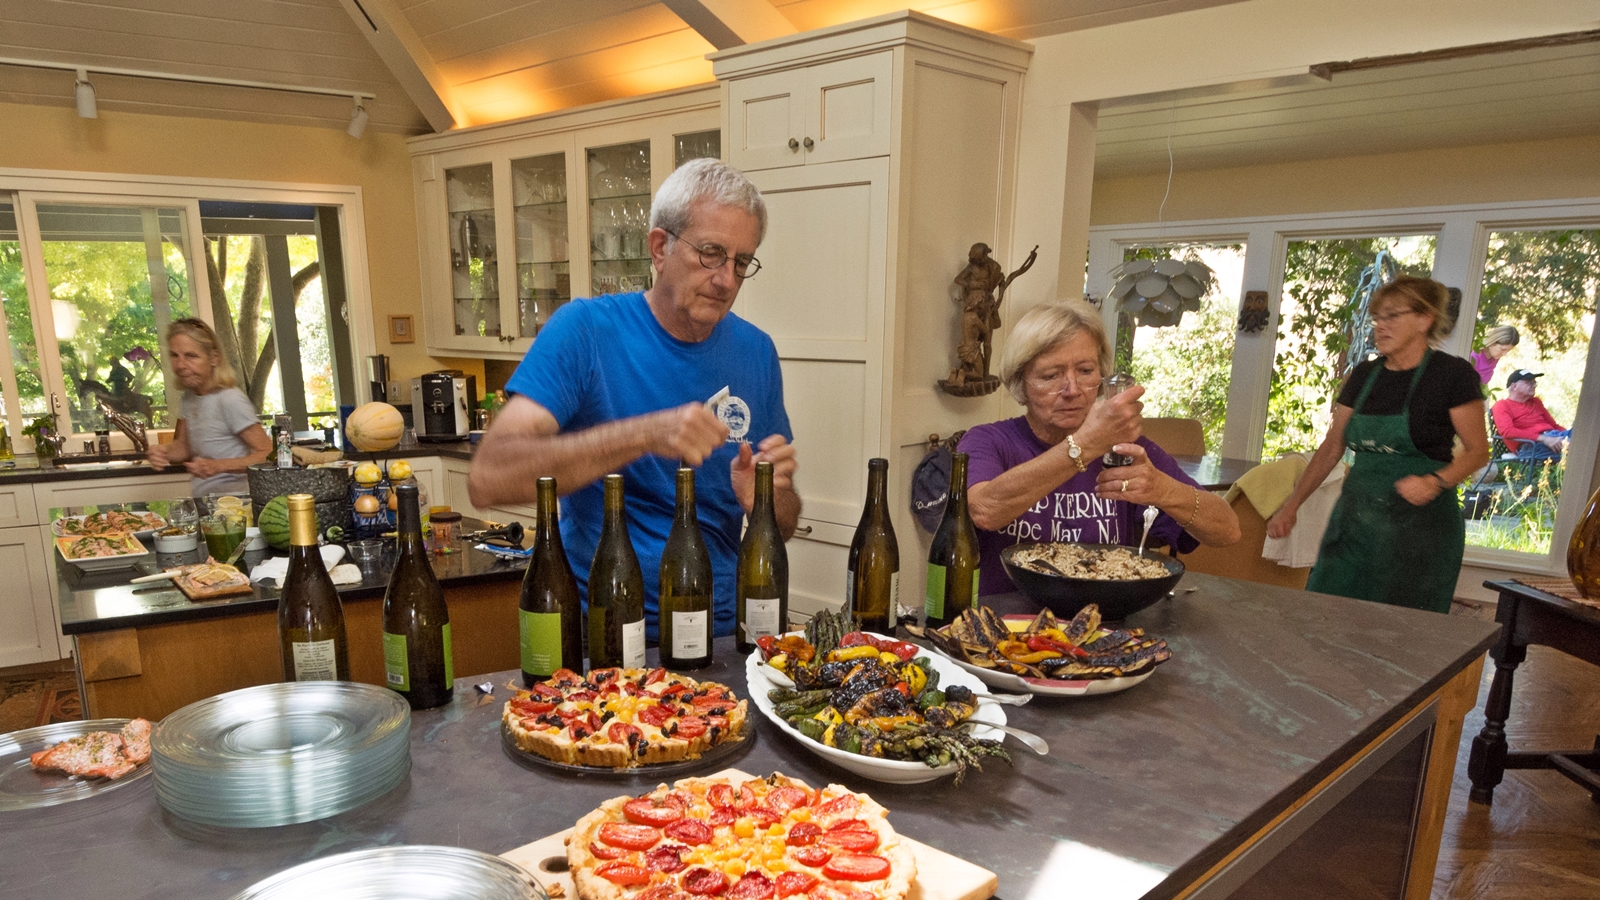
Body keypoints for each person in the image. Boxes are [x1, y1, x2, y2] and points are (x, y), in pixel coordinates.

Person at [468, 158, 800, 638]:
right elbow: (489, 477)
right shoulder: (584, 331)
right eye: (711, 253)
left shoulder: (757, 352)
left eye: (742, 261)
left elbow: (784, 523)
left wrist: (767, 499)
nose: (728, 280)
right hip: (607, 632)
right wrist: (644, 433)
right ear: (660, 247)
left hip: (728, 633)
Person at [959, 301, 1240, 597]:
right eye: (1051, 375)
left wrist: (1163, 489)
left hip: (1104, 624)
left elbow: (1228, 530)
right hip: (1007, 627)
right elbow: (984, 510)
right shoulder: (988, 441)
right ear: (1021, 383)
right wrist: (1084, 445)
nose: (1073, 389)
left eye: (1085, 370)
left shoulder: (1126, 451)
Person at [1267, 275, 1489, 614]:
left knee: (1400, 631)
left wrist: (1435, 481)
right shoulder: (1364, 376)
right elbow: (1331, 447)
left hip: (1419, 533)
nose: (1379, 327)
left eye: (1392, 316)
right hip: (1355, 525)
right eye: (1377, 318)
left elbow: (1477, 451)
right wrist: (1291, 504)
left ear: (1424, 319)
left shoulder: (1452, 375)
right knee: (1326, 613)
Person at [145, 318, 271, 498]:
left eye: (191, 356)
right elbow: (184, 447)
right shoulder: (189, 397)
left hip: (235, 506)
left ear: (214, 358)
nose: (180, 365)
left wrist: (216, 466)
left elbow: (268, 454)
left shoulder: (229, 399)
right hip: (206, 502)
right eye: (175, 356)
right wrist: (162, 452)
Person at [1491, 369, 1568, 462]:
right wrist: (1544, 439)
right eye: (1529, 382)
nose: (1534, 385)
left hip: (1553, 437)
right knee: (1581, 446)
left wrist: (1568, 435)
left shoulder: (1536, 402)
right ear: (1514, 386)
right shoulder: (1502, 405)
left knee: (1584, 436)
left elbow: (1554, 425)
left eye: (1534, 382)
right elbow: (1507, 431)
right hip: (1530, 445)